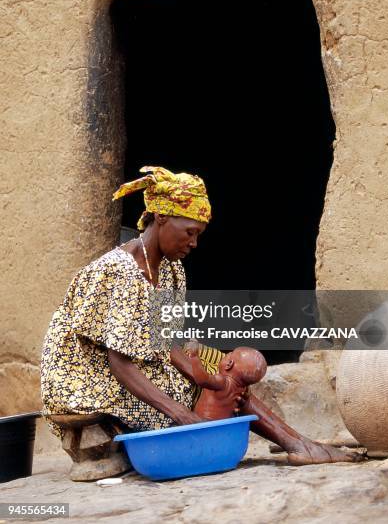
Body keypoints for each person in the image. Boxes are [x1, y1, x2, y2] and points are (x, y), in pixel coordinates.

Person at [41, 165, 361, 466]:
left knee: (223, 375)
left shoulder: (170, 269)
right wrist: (181, 413)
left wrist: (199, 371)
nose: (193, 243)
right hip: (85, 374)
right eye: (190, 232)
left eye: (199, 235)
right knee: (196, 393)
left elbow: (163, 340)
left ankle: (297, 442)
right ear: (162, 217)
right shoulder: (120, 272)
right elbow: (119, 362)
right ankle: (297, 445)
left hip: (133, 363)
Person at [171, 344, 267, 420]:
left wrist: (195, 357)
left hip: (205, 422)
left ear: (229, 364)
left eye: (229, 354)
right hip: (223, 424)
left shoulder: (223, 381)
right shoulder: (242, 390)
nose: (224, 355)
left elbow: (202, 380)